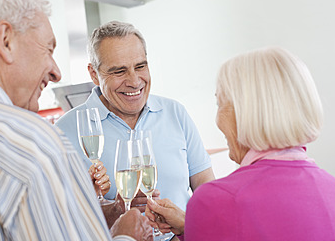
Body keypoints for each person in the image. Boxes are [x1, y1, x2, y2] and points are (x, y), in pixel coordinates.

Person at [0, 0, 152, 240]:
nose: (56, 73)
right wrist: (126, 236)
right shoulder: (33, 143)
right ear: (6, 41)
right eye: (48, 49)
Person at [145, 47, 335, 240]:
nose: (217, 119)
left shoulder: (215, 200)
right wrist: (190, 226)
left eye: (219, 104)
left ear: (245, 113)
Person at [55, 21, 215, 213]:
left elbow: (207, 190)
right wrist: (114, 210)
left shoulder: (175, 113)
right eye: (119, 71)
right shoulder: (62, 133)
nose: (134, 81)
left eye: (140, 66)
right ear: (94, 74)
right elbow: (60, 215)